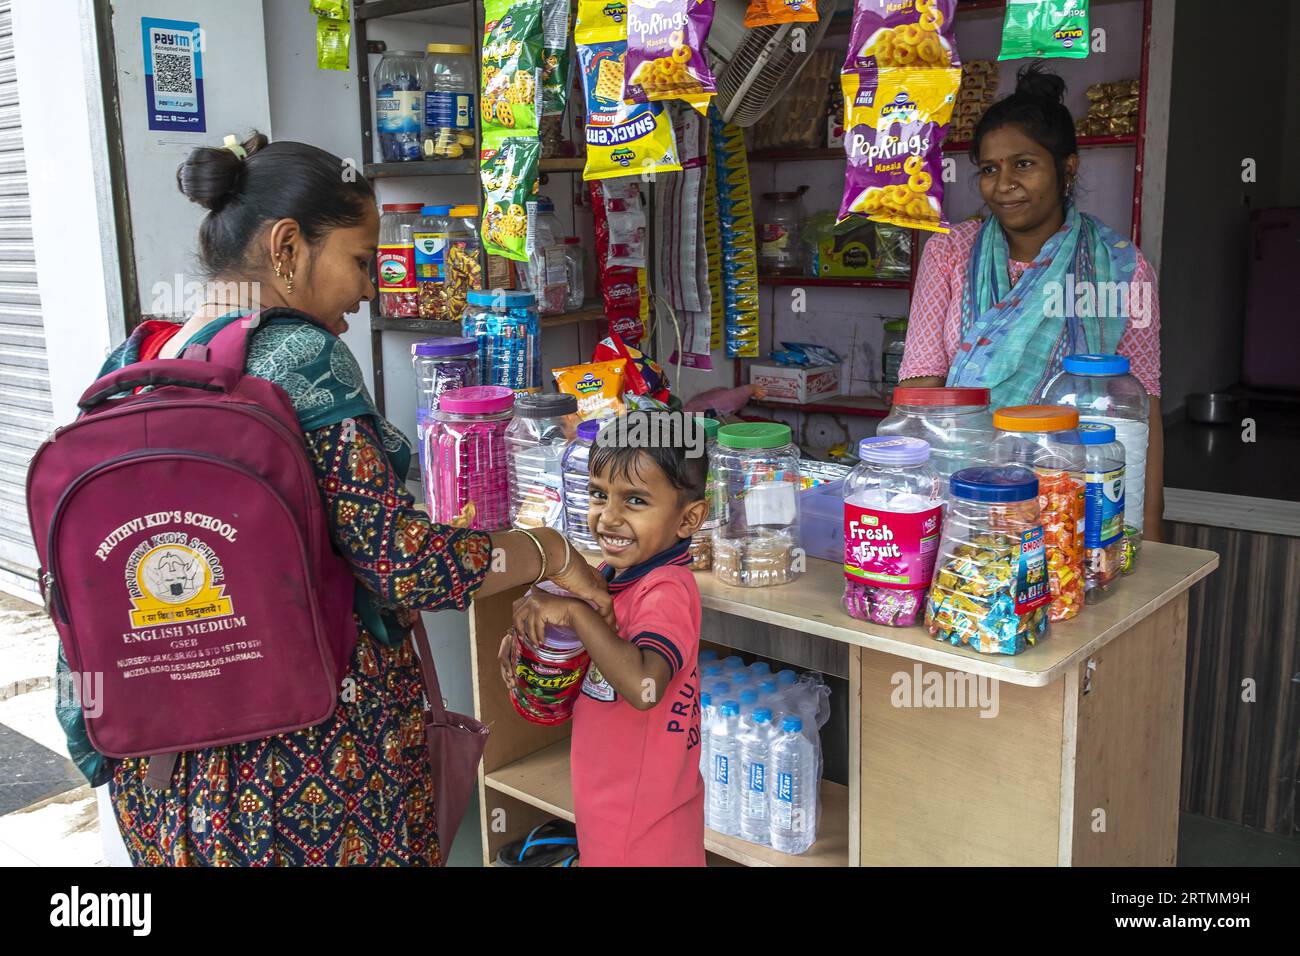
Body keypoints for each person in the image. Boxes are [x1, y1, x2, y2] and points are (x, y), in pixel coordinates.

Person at [55, 132, 611, 866]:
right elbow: (406, 565)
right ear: (287, 247)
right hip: (311, 770)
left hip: (164, 773)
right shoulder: (300, 357)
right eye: (359, 259)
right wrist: (551, 550)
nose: (370, 287)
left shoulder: (139, 358)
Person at [898, 65, 1164, 539]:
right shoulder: (949, 253)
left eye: (1023, 164)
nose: (1003, 185)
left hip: (1076, 507)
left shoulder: (1122, 268)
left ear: (1067, 168)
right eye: (989, 169)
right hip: (966, 502)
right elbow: (922, 399)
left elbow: (1140, 410)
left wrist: (1149, 532)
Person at [500, 413, 709, 866]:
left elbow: (642, 686)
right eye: (599, 494)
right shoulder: (609, 577)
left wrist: (574, 614)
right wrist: (535, 639)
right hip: (607, 800)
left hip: (648, 823)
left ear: (688, 518)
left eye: (634, 500)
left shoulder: (666, 590)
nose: (608, 517)